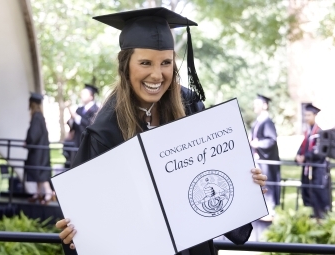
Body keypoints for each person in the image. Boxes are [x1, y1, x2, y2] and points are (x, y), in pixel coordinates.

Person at [56, 8, 268, 255]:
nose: (157, 74)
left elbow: (213, 182)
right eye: (145, 63)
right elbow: (86, 216)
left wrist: (244, 184)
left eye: (166, 63)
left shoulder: (190, 106)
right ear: (125, 66)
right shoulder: (105, 129)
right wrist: (75, 234)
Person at [250, 94, 280, 221]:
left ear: (265, 105)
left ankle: (270, 211)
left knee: (268, 184)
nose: (254, 106)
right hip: (259, 160)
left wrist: (257, 144)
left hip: (267, 161)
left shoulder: (267, 122)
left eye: (257, 104)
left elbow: (271, 140)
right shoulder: (258, 121)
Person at [296, 103, 329, 220]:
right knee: (308, 191)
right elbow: (303, 147)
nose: (306, 118)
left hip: (318, 168)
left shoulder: (319, 132)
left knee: (318, 192)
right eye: (305, 115)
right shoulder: (307, 132)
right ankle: (313, 214)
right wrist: (298, 155)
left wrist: (306, 157)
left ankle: (320, 216)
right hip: (308, 167)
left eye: (309, 115)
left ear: (315, 115)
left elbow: (319, 151)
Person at [24, 93, 54, 204]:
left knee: (40, 172)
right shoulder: (39, 116)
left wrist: (27, 142)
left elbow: (34, 134)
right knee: (39, 171)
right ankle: (38, 193)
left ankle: (48, 192)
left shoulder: (36, 116)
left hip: (38, 152)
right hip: (40, 151)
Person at [63, 84, 99, 167]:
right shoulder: (79, 109)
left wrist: (75, 116)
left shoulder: (96, 110)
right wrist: (71, 118)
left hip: (88, 144)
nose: (81, 96)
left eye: (84, 94)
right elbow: (73, 127)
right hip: (77, 143)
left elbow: (89, 124)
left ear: (91, 96)